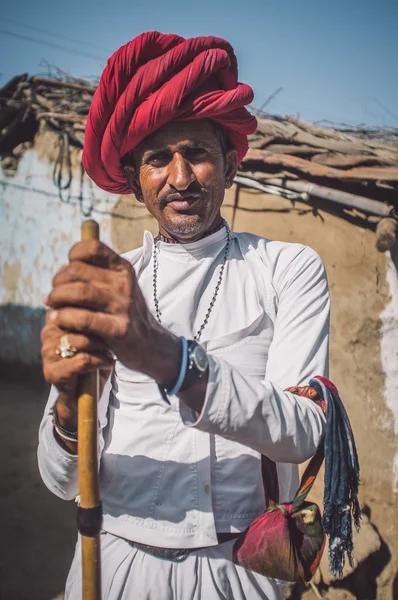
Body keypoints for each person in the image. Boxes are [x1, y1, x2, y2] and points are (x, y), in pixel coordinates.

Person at [38, 32, 330, 600]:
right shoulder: (107, 280)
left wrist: (163, 355)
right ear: (133, 178)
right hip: (113, 564)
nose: (179, 177)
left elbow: (302, 430)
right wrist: (71, 415)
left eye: (196, 152)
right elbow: (58, 479)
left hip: (237, 571)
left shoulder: (287, 268)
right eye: (156, 159)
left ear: (229, 162)